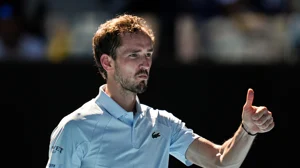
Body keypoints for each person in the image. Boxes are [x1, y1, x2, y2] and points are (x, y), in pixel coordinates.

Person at [45, 14, 274, 168]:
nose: (144, 63)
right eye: (133, 55)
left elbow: (221, 161)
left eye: (148, 54)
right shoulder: (75, 127)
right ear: (107, 62)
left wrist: (247, 130)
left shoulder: (162, 123)